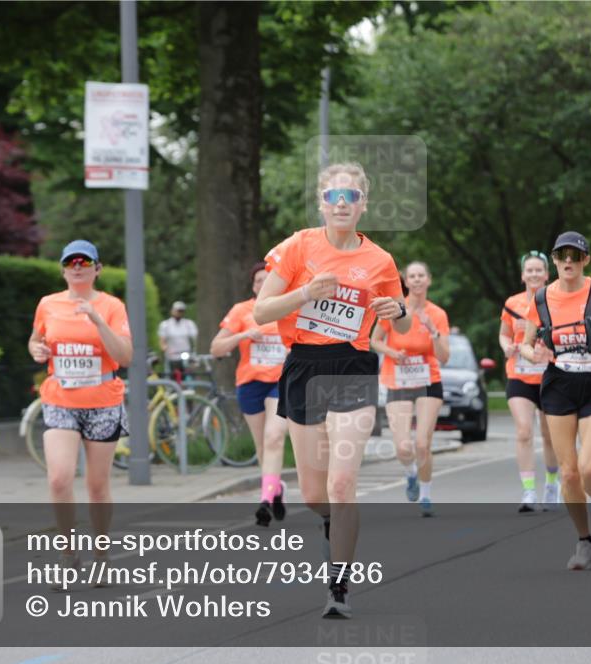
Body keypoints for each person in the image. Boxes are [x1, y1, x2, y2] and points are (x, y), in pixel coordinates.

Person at [254, 161, 411, 618]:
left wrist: (397, 308)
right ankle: (329, 523)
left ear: (363, 204)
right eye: (333, 197)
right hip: (304, 365)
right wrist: (306, 294)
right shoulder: (299, 247)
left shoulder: (379, 260)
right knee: (314, 494)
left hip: (353, 367)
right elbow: (262, 313)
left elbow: (401, 321)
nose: (341, 204)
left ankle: (338, 586)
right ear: (321, 202)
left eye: (351, 197)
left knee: (342, 483)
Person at [518, 231, 591, 571]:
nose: (568, 262)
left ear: (586, 259)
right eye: (562, 256)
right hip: (559, 383)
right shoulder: (540, 298)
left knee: (588, 467)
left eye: (575, 255)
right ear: (554, 260)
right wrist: (533, 351)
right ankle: (584, 540)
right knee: (569, 475)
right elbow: (525, 343)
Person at [27, 240, 132, 584]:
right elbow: (35, 339)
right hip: (60, 398)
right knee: (59, 478)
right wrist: (37, 350)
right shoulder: (48, 304)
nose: (77, 266)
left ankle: (101, 554)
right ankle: (68, 554)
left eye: (84, 261)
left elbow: (125, 357)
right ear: (63, 269)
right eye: (70, 261)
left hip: (103, 400)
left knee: (97, 485)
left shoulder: (112, 306)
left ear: (97, 269)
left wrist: (97, 320)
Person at [210, 261, 290, 528]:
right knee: (262, 445)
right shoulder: (241, 311)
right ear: (253, 285)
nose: (262, 284)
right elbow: (217, 348)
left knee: (274, 436)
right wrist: (244, 334)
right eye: (258, 281)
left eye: (268, 280)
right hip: (250, 384)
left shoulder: (289, 309)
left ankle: (265, 500)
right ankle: (275, 489)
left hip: (282, 383)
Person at [371, 261, 449, 517]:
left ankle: (426, 494)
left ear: (429, 280)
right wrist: (393, 352)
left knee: (422, 443)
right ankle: (411, 474)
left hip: (428, 380)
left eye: (421, 276)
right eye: (412, 276)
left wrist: (434, 332)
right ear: (406, 280)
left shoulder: (437, 314)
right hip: (398, 379)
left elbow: (444, 357)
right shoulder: (395, 309)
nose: (416, 280)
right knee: (404, 447)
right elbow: (374, 341)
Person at [499, 251, 560, 512]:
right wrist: (506, 347)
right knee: (524, 431)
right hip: (520, 375)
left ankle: (551, 484)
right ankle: (528, 491)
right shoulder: (512, 303)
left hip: (550, 375)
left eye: (539, 270)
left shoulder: (556, 300)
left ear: (547, 275)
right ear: (523, 275)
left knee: (549, 435)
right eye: (530, 270)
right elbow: (503, 334)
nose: (534, 274)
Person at [158, 301, 198, 380]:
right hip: (172, 356)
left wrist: (195, 351)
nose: (179, 313)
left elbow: (195, 338)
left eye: (181, 311)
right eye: (178, 311)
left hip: (186, 355)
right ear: (172, 311)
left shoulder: (188, 324)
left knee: (188, 373)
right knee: (172, 375)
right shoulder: (165, 325)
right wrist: (164, 348)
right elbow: (162, 340)